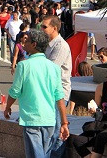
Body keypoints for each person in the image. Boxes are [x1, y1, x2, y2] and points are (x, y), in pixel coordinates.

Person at [4, 29, 69, 158]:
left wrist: (7, 107)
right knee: (43, 154)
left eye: (26, 41)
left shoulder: (23, 66)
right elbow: (59, 97)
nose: (23, 44)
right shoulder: (54, 68)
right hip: (49, 119)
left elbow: (15, 91)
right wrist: (64, 122)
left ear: (34, 44)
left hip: (32, 118)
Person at [42, 15, 72, 156]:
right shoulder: (47, 45)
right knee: (48, 130)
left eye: (44, 27)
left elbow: (50, 69)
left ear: (54, 28)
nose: (41, 29)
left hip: (58, 93)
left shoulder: (60, 46)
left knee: (56, 131)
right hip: (47, 93)